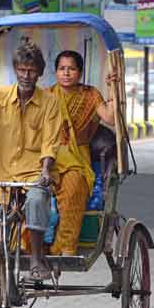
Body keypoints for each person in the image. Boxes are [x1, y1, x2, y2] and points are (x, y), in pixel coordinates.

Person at [0, 41, 61, 281]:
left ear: (39, 72)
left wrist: (46, 170)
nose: (27, 75)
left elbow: (50, 141)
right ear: (15, 69)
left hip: (33, 174)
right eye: (22, 69)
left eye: (32, 70)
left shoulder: (49, 102)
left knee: (37, 200)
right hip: (1, 175)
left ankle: (36, 259)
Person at [47, 50, 116, 256]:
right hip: (48, 155)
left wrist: (113, 88)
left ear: (80, 72)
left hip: (78, 158)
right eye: (62, 69)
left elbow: (110, 118)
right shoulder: (46, 96)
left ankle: (63, 247)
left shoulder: (91, 95)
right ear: (56, 72)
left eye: (71, 69)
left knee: (75, 186)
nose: (66, 73)